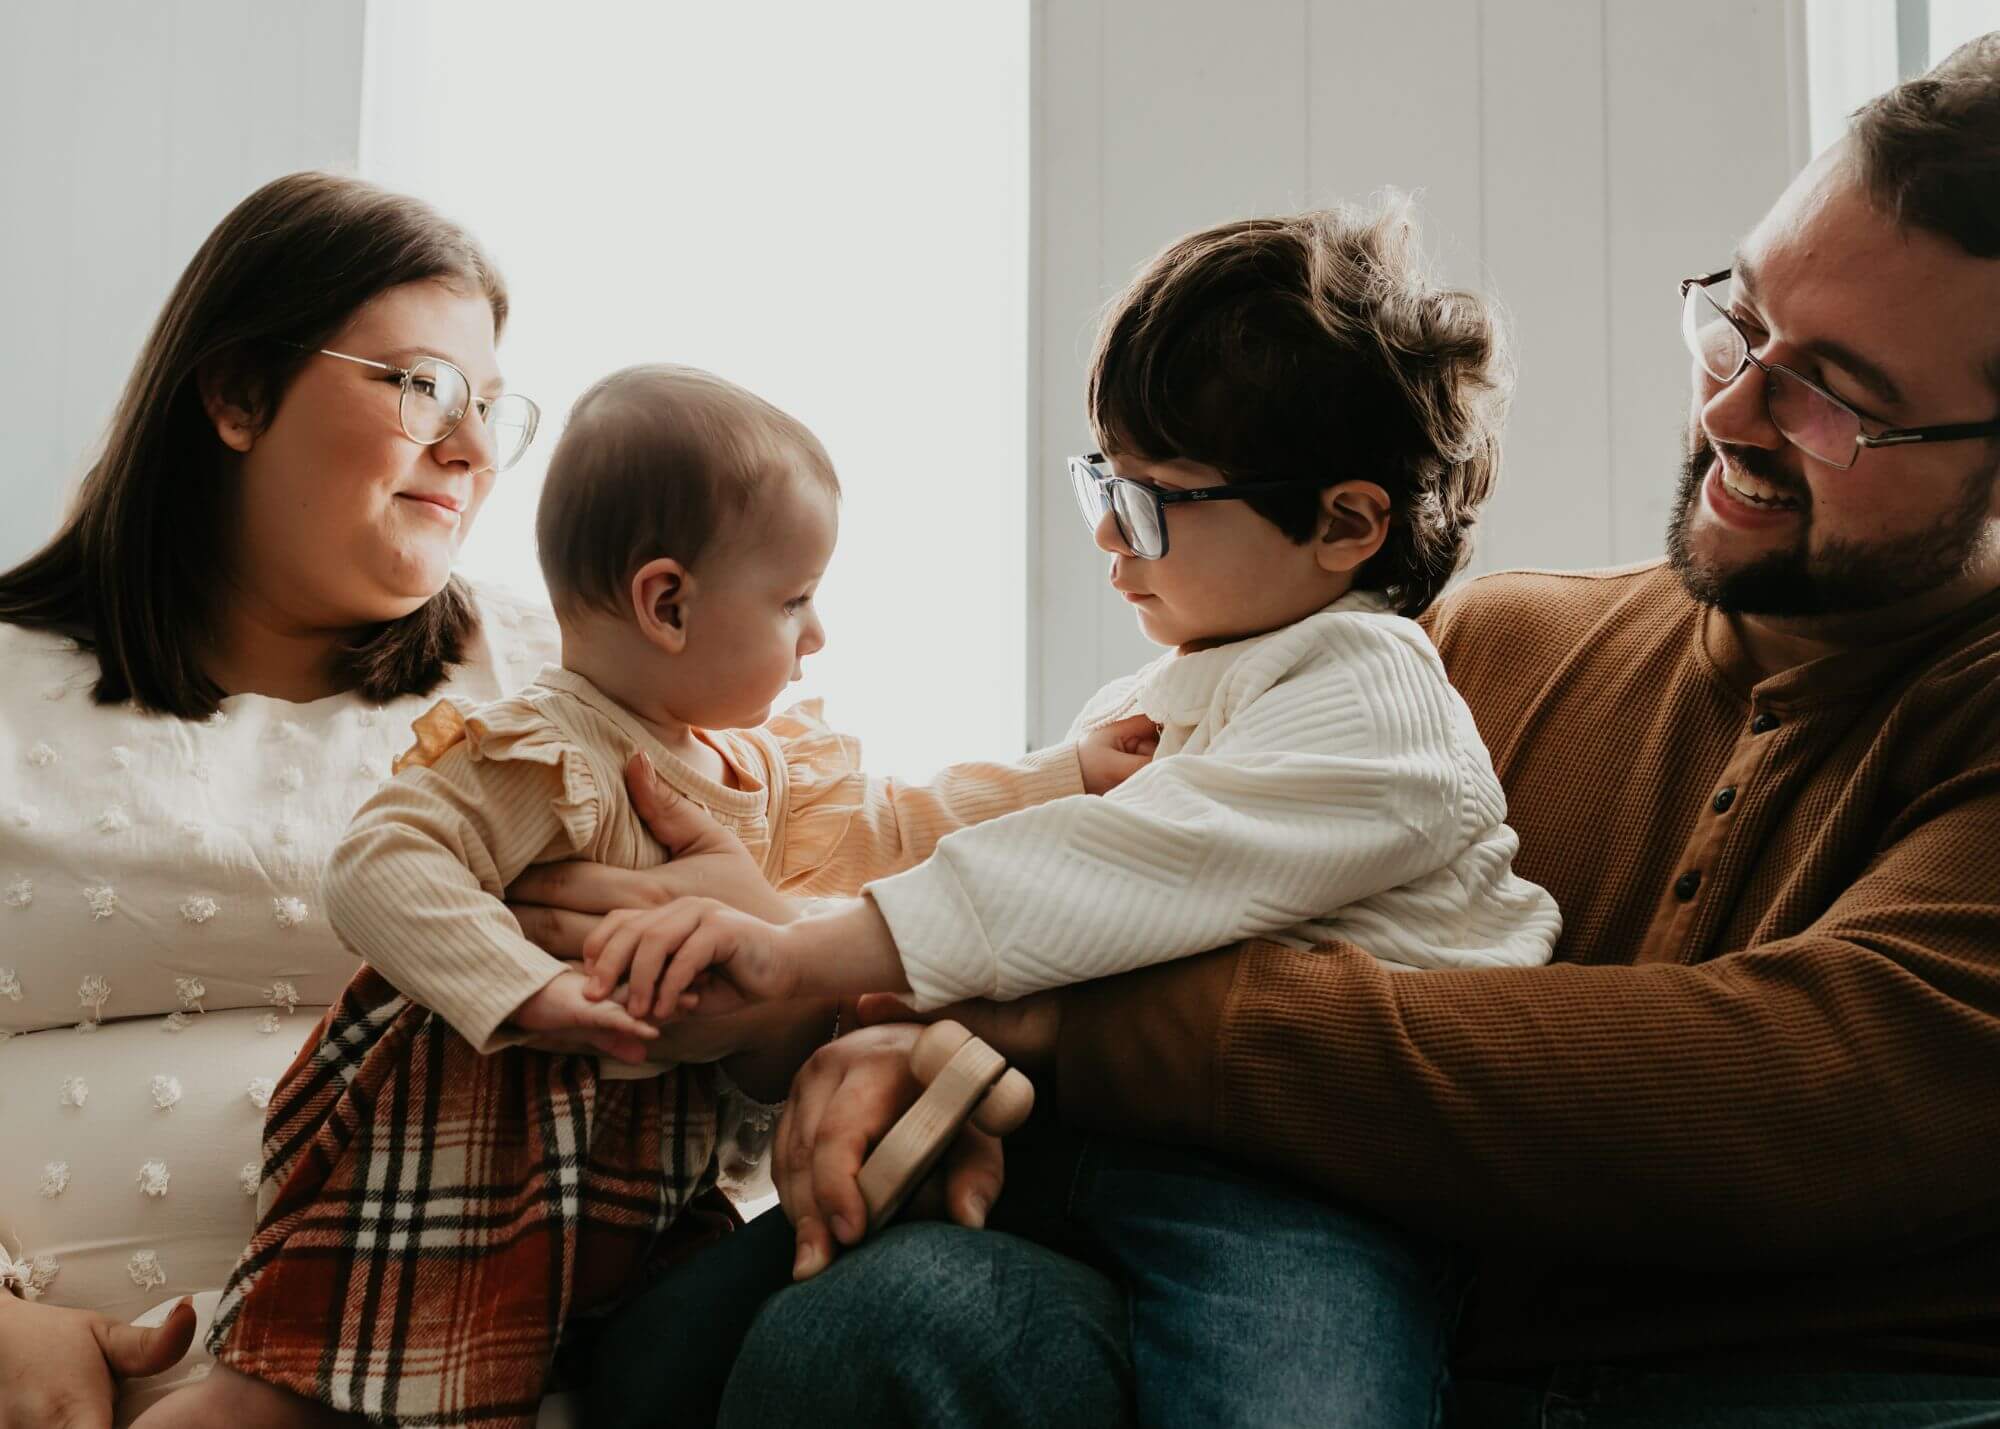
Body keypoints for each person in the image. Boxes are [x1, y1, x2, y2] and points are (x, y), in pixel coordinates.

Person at [606, 35, 2000, 1429]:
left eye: (1839, 398)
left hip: (1795, 1385)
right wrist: (919, 1032)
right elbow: (1126, 858)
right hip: (1412, 1316)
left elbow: (1779, 1092)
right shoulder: (1485, 645)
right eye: (1734, 321)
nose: (1729, 405)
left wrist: (1028, 1009)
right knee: (873, 1315)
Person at [586, 200, 1560, 1429]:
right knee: (659, 1351)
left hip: (1309, 1187)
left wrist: (787, 944)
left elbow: (1088, 873)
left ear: (1343, 524)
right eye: (1101, 479)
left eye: (1154, 502)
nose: (1107, 531)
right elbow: (1001, 841)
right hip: (1088, 1130)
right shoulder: (1156, 691)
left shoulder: (1377, 698)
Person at [137, 365, 1150, 1429]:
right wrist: (527, 991)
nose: (816, 636)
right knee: (287, 1395)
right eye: (794, 600)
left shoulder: (756, 770)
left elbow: (898, 821)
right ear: (665, 603)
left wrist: (1063, 774)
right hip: (458, 1155)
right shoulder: (543, 753)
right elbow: (379, 867)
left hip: (624, 1186)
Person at [0, 175, 808, 1429]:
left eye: (492, 407)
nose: (476, 449)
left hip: (511, 1359)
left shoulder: (584, 680)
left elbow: (752, 1070)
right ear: (235, 392)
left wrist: (756, 949)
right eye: (423, 385)